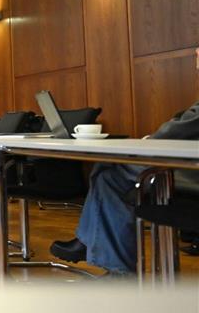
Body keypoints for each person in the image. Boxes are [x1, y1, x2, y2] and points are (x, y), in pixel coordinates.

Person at [50, 47, 199, 275]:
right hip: (185, 164)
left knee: (111, 171)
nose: (196, 55)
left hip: (189, 172)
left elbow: (186, 124)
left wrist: (154, 140)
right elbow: (184, 120)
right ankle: (97, 250)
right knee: (110, 169)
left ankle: (106, 258)